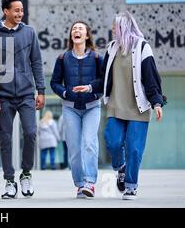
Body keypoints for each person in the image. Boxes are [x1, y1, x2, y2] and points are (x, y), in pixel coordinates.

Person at [74, 11, 165, 200]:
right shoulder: (112, 48)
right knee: (113, 141)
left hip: (138, 108)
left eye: (115, 26)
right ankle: (120, 167)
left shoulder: (142, 47)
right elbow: (103, 78)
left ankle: (131, 185)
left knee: (134, 148)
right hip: (116, 106)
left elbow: (151, 78)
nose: (112, 29)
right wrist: (91, 87)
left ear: (123, 26)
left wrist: (156, 102)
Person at [0, 0, 45, 199]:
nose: (20, 13)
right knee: (5, 139)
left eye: (21, 10)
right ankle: (9, 180)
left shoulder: (29, 33)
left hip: (27, 94)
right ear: (6, 11)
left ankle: (26, 173)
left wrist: (41, 90)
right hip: (3, 96)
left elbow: (36, 62)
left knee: (30, 133)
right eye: (16, 10)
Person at [50, 21, 103, 198]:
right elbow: (54, 83)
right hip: (70, 108)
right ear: (71, 35)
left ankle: (89, 182)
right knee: (73, 148)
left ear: (87, 35)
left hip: (92, 107)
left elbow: (105, 82)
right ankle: (80, 184)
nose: (76, 31)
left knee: (89, 143)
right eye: (74, 29)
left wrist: (90, 89)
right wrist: (64, 93)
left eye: (80, 29)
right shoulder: (62, 58)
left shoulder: (96, 57)